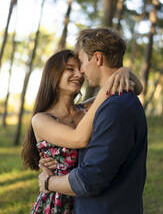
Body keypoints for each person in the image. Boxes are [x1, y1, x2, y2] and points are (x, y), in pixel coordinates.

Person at [37, 28, 147, 214]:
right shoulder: (42, 118)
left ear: (97, 59)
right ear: (53, 75)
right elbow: (78, 141)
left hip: (92, 201)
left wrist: (124, 72)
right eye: (70, 69)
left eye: (80, 63)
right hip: (60, 203)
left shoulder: (103, 107)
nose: (80, 72)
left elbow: (88, 173)